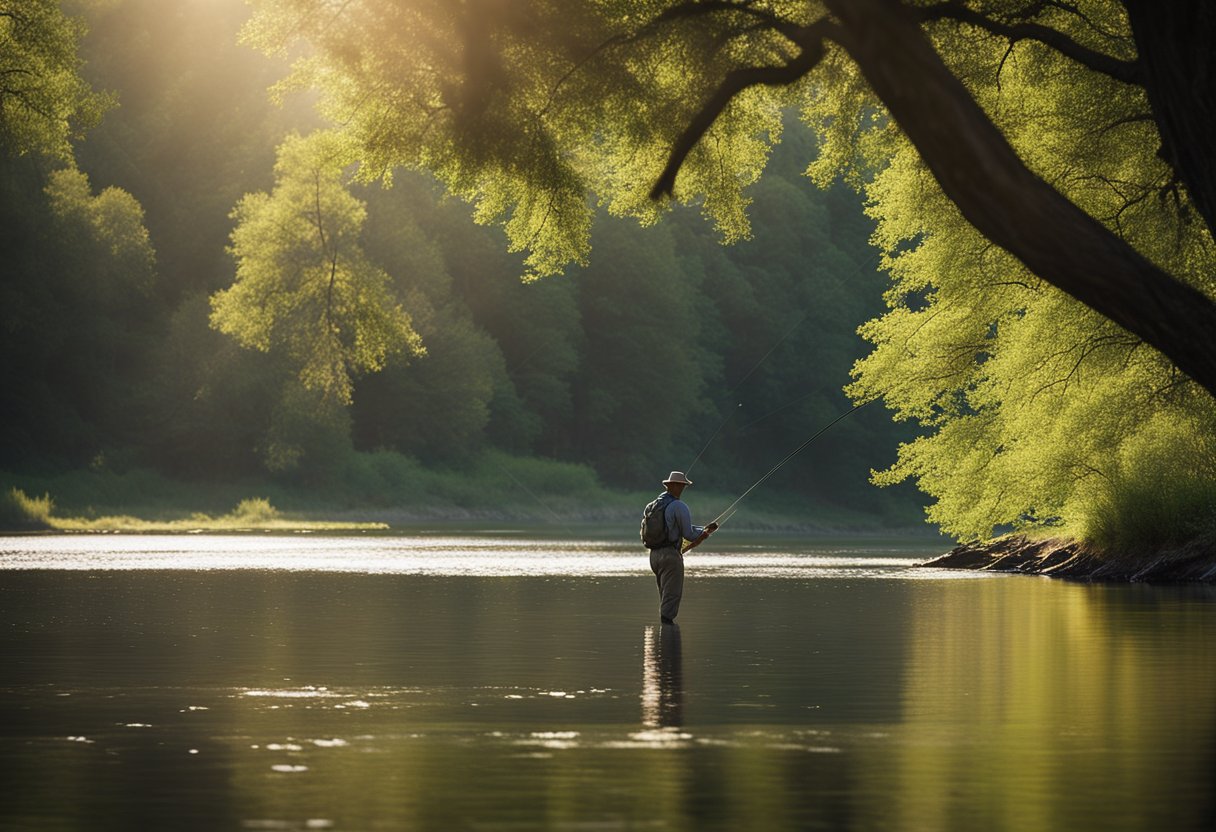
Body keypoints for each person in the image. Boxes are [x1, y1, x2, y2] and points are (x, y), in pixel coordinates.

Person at [648, 471, 717, 625]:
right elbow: (689, 534)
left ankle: (662, 641)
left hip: (654, 556)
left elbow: (674, 528)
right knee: (672, 597)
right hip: (670, 556)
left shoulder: (652, 506)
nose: (682, 488)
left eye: (683, 486)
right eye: (680, 485)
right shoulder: (679, 506)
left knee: (664, 595)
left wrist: (703, 529)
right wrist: (703, 533)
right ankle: (667, 636)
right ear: (672, 485)